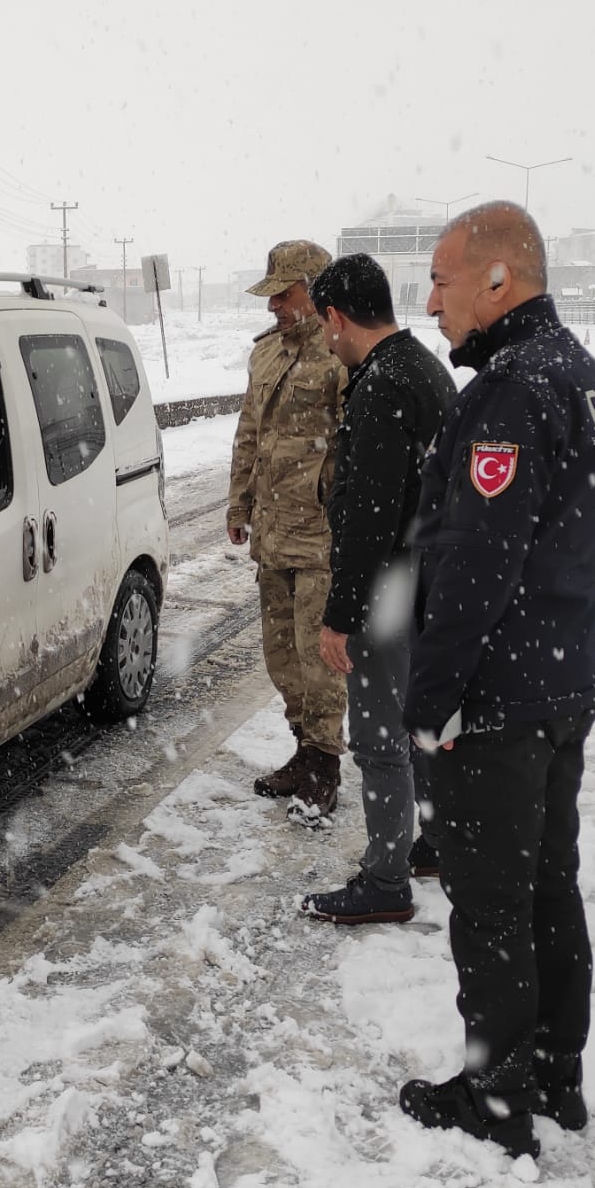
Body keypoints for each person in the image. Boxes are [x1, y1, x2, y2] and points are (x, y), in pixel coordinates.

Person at [397, 202, 595, 1159]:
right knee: (547, 885)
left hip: (502, 691)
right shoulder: (583, 379)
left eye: (444, 280)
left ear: (499, 281)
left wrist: (430, 698)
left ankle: (496, 1100)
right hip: (563, 673)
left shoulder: (509, 391)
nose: (431, 299)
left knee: (492, 901)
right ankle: (555, 1070)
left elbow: (476, 565)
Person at [298, 252, 456, 923]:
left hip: (391, 585)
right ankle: (436, 842)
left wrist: (341, 616)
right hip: (429, 578)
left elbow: (368, 512)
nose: (324, 339)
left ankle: (385, 881)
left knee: (376, 736)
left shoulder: (381, 383)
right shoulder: (422, 367)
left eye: (321, 324)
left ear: (336, 318)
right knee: (419, 724)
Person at [227, 238, 348, 817]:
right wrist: (237, 504)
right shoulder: (266, 354)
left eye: (284, 293)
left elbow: (356, 450)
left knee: (318, 655)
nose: (273, 306)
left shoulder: (341, 355)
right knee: (281, 655)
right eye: (271, 295)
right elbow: (249, 433)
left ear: (316, 291)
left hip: (321, 536)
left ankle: (326, 762)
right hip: (273, 532)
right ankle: (303, 747)